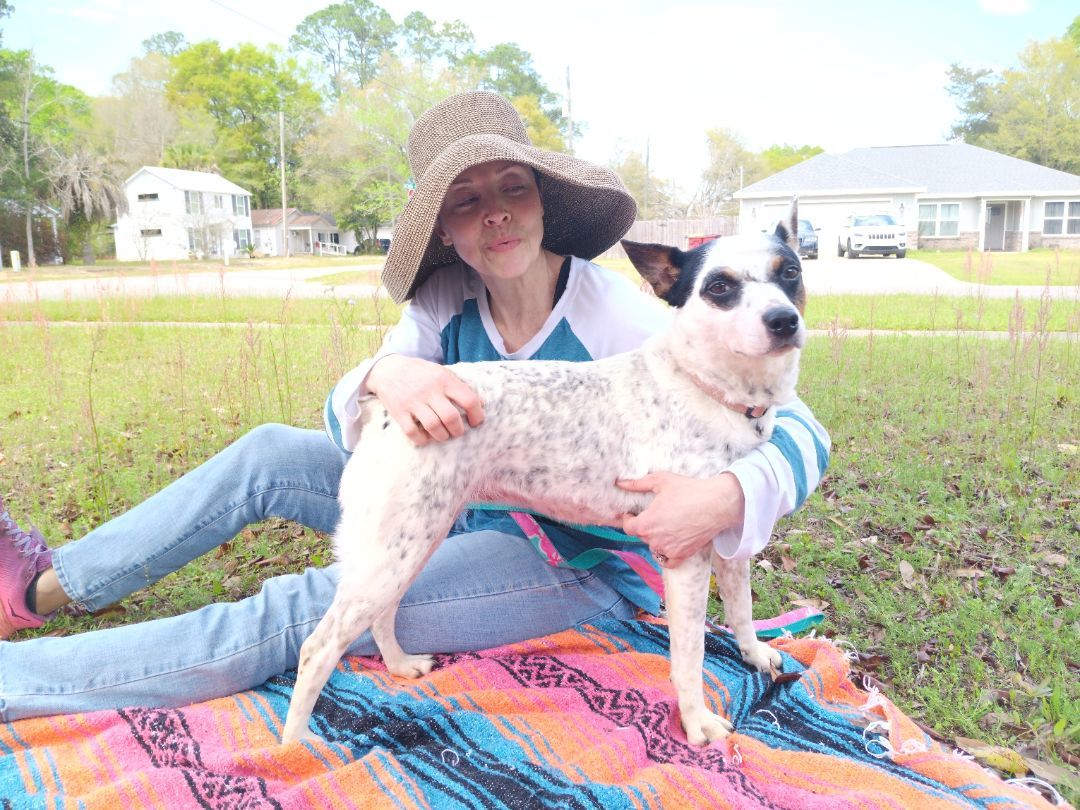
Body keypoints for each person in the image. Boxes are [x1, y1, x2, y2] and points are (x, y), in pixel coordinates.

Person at [0, 92, 828, 722]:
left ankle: (20, 685)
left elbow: (796, 426)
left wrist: (721, 499)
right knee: (262, 454)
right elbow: (362, 430)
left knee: (318, 599)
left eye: (512, 186)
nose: (495, 210)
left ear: (544, 203)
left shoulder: (626, 316)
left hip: (564, 554)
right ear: (447, 229)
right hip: (443, 486)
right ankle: (42, 591)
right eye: (466, 200)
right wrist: (380, 377)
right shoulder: (442, 298)